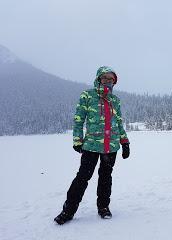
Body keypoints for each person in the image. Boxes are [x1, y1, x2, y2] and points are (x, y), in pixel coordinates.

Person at [54, 66, 130, 225]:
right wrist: (77, 140)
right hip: (91, 146)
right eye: (105, 78)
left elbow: (119, 123)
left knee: (105, 177)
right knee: (82, 177)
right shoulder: (87, 95)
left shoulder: (115, 100)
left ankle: (103, 207)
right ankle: (68, 211)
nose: (108, 81)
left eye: (111, 79)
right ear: (98, 79)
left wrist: (124, 141)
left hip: (111, 147)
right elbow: (78, 120)